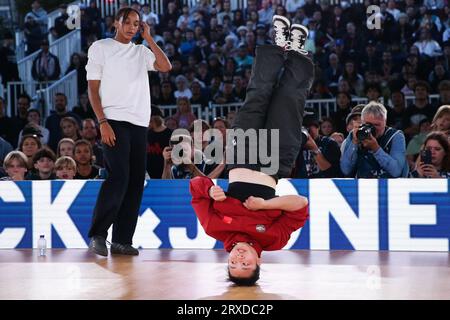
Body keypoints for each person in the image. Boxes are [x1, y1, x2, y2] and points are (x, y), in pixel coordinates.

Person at [190, 15, 312, 286]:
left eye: (234, 264)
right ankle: (299, 52)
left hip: (241, 157)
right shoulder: (274, 241)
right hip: (275, 164)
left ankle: (279, 46)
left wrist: (210, 190)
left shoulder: (214, 228)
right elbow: (301, 205)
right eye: (245, 264)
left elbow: (196, 186)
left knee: (257, 97)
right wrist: (266, 205)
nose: (239, 257)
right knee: (289, 100)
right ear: (259, 262)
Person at [85, 7, 171, 256]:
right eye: (128, 22)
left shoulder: (142, 51)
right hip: (113, 120)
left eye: (137, 24)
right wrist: (102, 122)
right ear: (116, 23)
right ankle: (98, 234)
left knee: (135, 181)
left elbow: (165, 67)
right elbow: (93, 89)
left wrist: (150, 39)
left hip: (139, 123)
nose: (133, 27)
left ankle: (122, 240)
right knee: (119, 176)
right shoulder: (100, 47)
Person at [340, 102, 408, 178]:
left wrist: (376, 149)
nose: (373, 128)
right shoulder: (355, 134)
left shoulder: (396, 136)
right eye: (368, 124)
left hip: (388, 187)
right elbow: (345, 170)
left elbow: (396, 171)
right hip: (363, 186)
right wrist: (354, 143)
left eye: (377, 125)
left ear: (385, 122)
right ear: (362, 122)